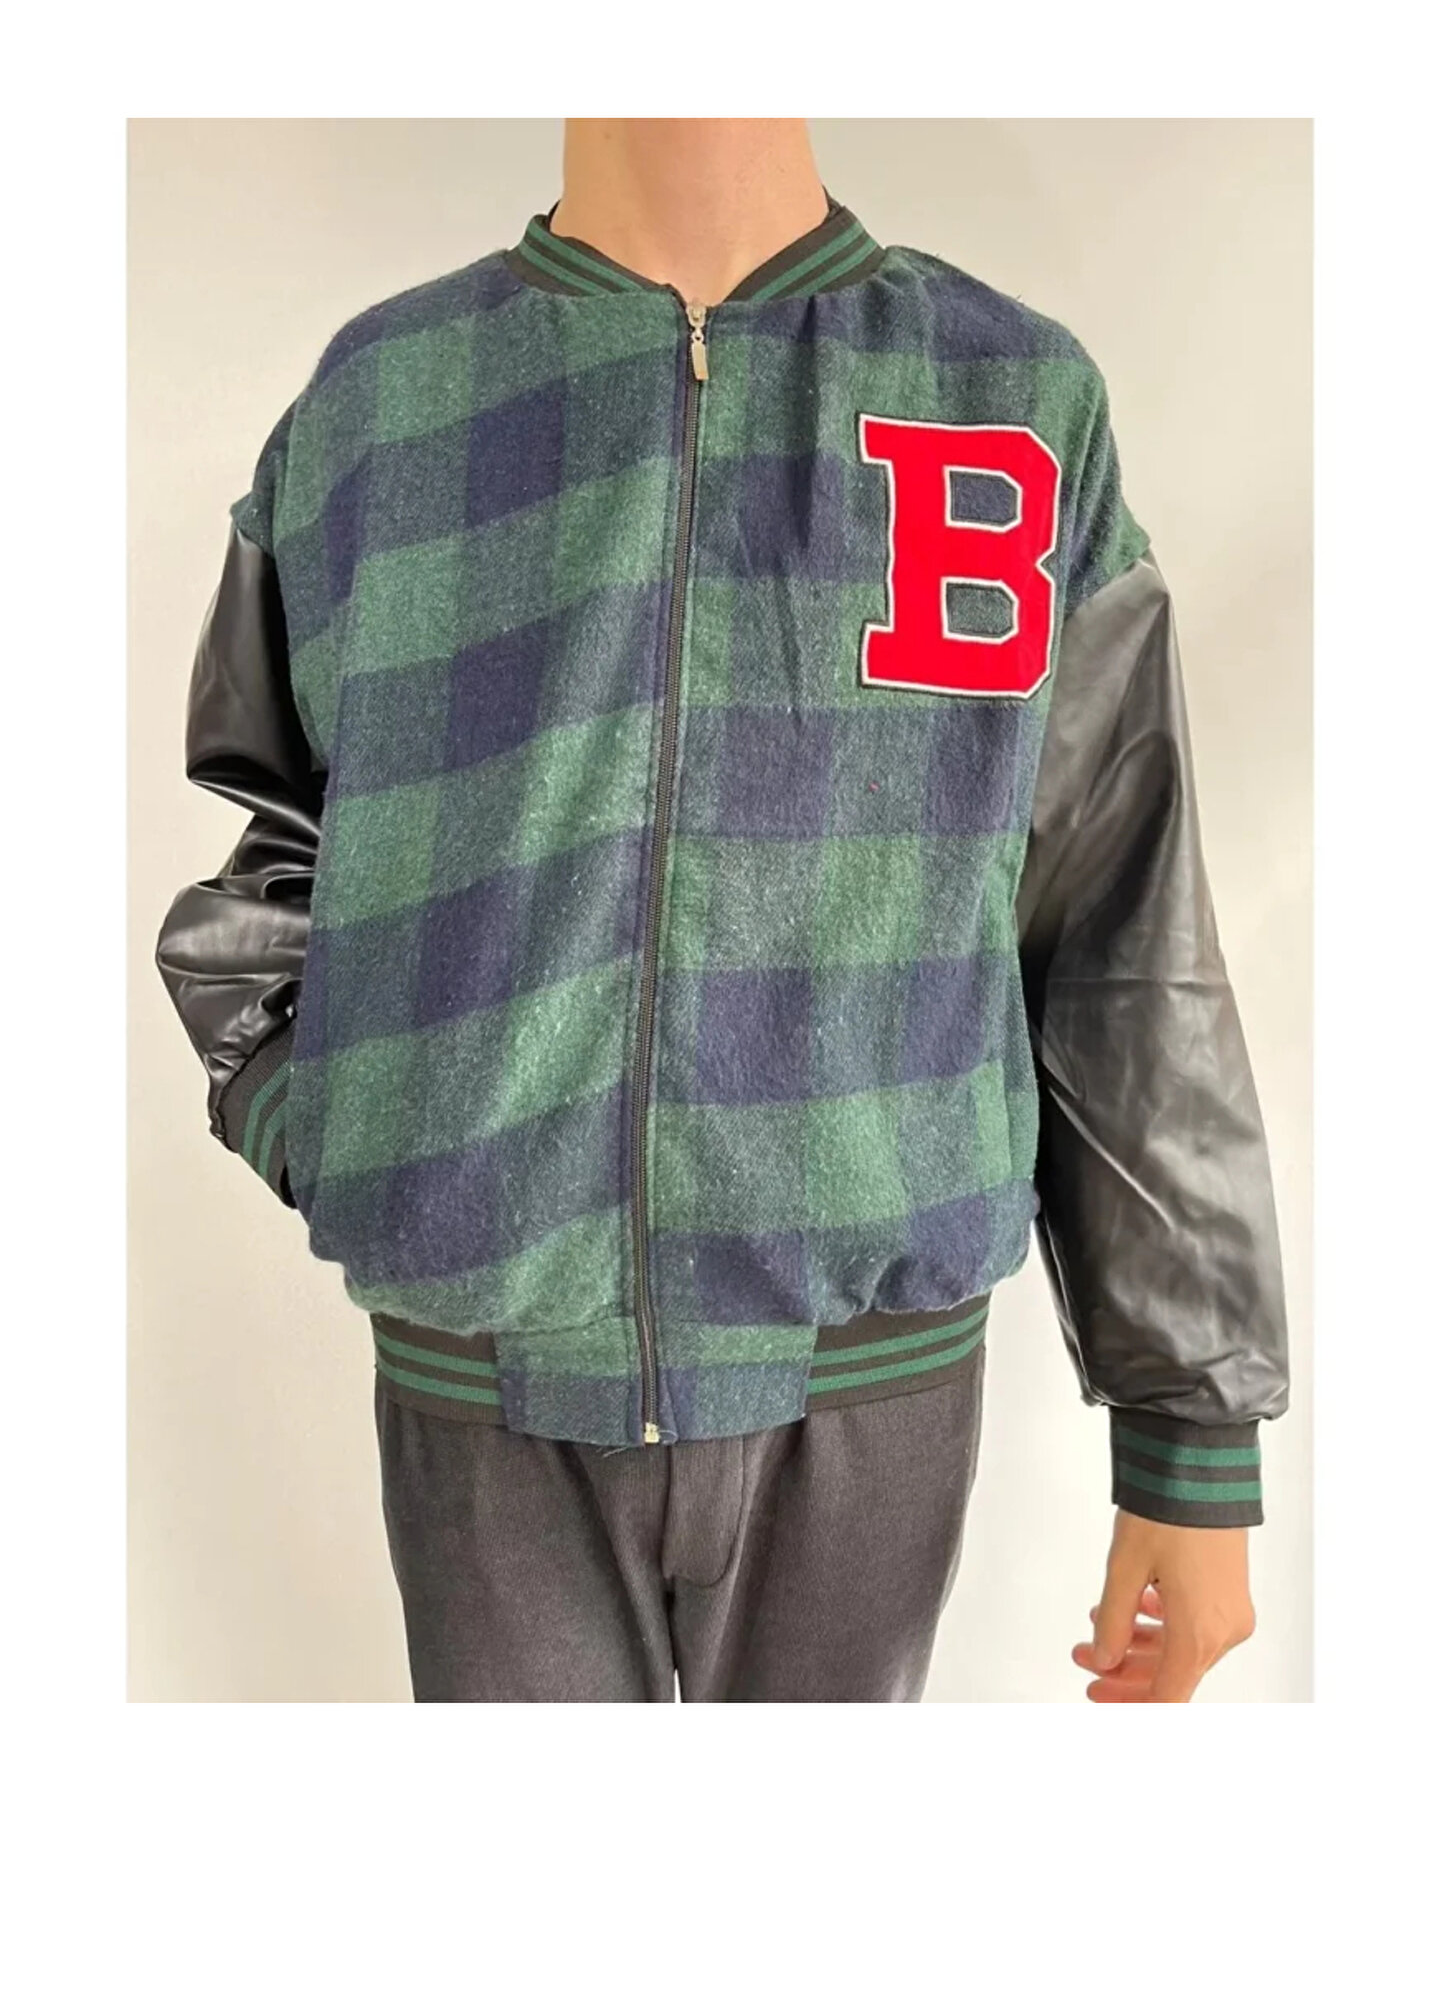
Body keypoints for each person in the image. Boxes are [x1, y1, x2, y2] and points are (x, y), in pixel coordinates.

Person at [155, 118, 1289, 1702]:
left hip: (874, 1404)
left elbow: (1118, 929)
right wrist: (349, 1141)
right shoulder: (379, 403)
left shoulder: (1011, 399)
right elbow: (266, 865)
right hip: (484, 1397)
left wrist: (1191, 1428)